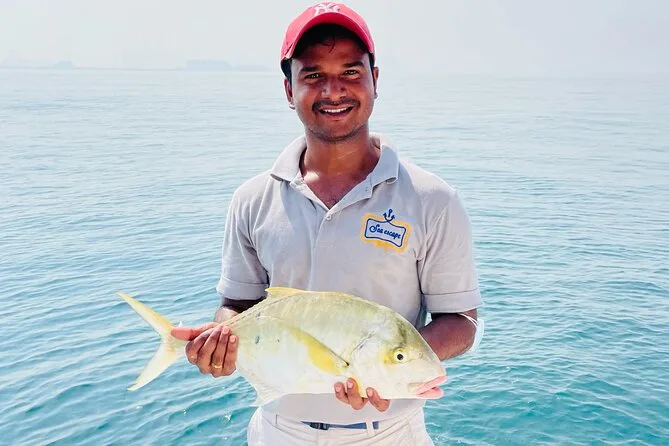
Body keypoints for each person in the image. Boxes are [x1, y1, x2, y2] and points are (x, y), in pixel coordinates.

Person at [172, 2, 483, 445]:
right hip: (278, 431)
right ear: (289, 89)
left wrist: (383, 370)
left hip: (390, 433)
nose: (333, 90)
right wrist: (221, 342)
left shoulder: (433, 199)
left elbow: (462, 320)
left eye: (351, 72)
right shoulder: (251, 199)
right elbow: (237, 306)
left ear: (375, 80)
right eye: (314, 75)